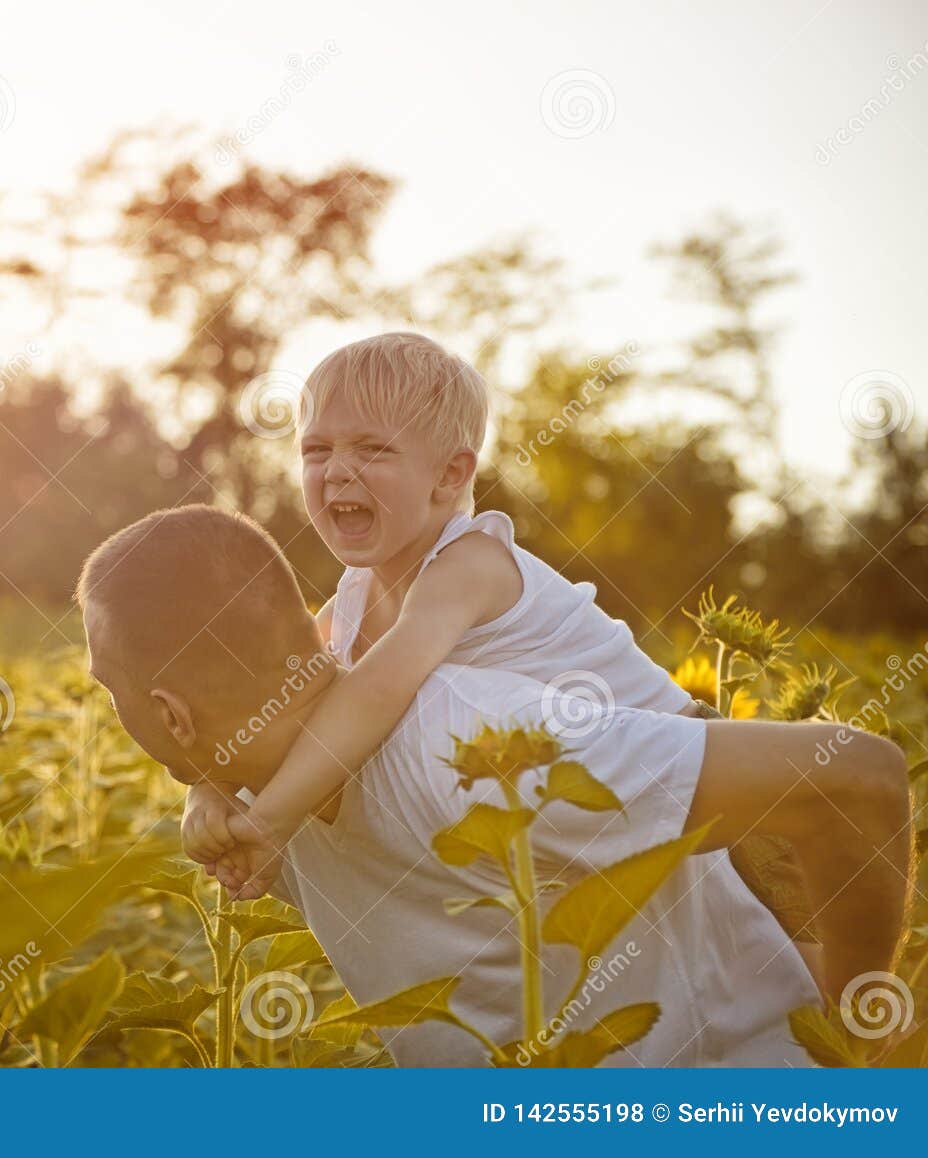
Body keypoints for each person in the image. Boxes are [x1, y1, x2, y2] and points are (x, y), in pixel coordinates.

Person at [78, 505, 911, 1065]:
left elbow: (856, 778)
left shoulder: (475, 750)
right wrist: (206, 786)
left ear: (169, 714)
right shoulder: (264, 806)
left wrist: (852, 1042)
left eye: (109, 691)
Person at [182, 332, 817, 967]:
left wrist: (268, 822)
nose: (337, 470)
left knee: (809, 1006)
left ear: (451, 474)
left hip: (714, 785)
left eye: (373, 449)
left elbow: (378, 689)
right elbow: (274, 698)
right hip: (603, 813)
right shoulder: (351, 597)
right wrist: (209, 783)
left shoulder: (470, 562)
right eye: (316, 449)